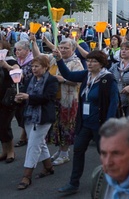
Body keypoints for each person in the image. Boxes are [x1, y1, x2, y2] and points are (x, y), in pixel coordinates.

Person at [55, 50, 120, 195]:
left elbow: (113, 103)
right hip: (85, 122)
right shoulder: (87, 75)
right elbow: (68, 75)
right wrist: (59, 59)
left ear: (101, 64)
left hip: (100, 124)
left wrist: (108, 126)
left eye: (93, 61)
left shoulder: (108, 79)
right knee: (78, 150)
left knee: (105, 154)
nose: (89, 64)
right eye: (88, 61)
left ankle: (114, 183)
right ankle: (73, 183)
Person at [38, 38, 84, 166]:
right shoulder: (54, 59)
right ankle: (61, 150)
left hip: (68, 100)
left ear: (73, 49)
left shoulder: (76, 63)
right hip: (54, 99)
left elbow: (78, 81)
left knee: (66, 126)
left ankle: (65, 153)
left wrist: (62, 80)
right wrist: (37, 41)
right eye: (61, 48)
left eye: (66, 48)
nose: (63, 50)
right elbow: (39, 57)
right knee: (56, 126)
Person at [15, 55, 59, 190]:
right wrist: (19, 98)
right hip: (29, 116)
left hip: (43, 117)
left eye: (37, 66)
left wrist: (29, 97)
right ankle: (48, 166)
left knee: (33, 145)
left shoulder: (52, 80)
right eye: (33, 66)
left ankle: (27, 176)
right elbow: (23, 92)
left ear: (45, 67)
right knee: (39, 143)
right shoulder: (29, 79)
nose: (34, 69)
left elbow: (47, 97)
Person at [0, 40, 19, 164]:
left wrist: (5, 65)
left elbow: (17, 73)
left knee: (4, 124)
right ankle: (4, 150)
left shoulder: (11, 60)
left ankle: (11, 150)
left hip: (7, 98)